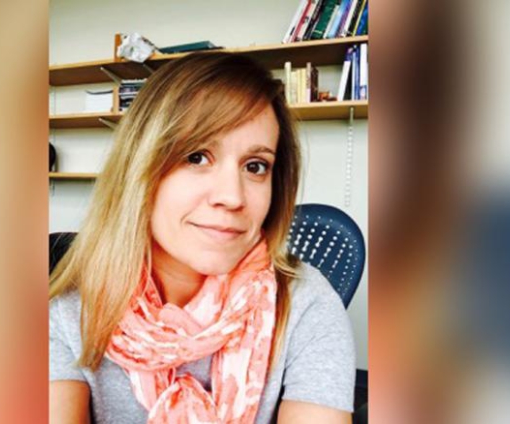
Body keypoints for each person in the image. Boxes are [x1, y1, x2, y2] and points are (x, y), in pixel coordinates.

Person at [49, 52, 355, 424]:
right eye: (196, 157)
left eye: (255, 166)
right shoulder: (68, 310)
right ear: (139, 168)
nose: (232, 196)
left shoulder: (306, 303)